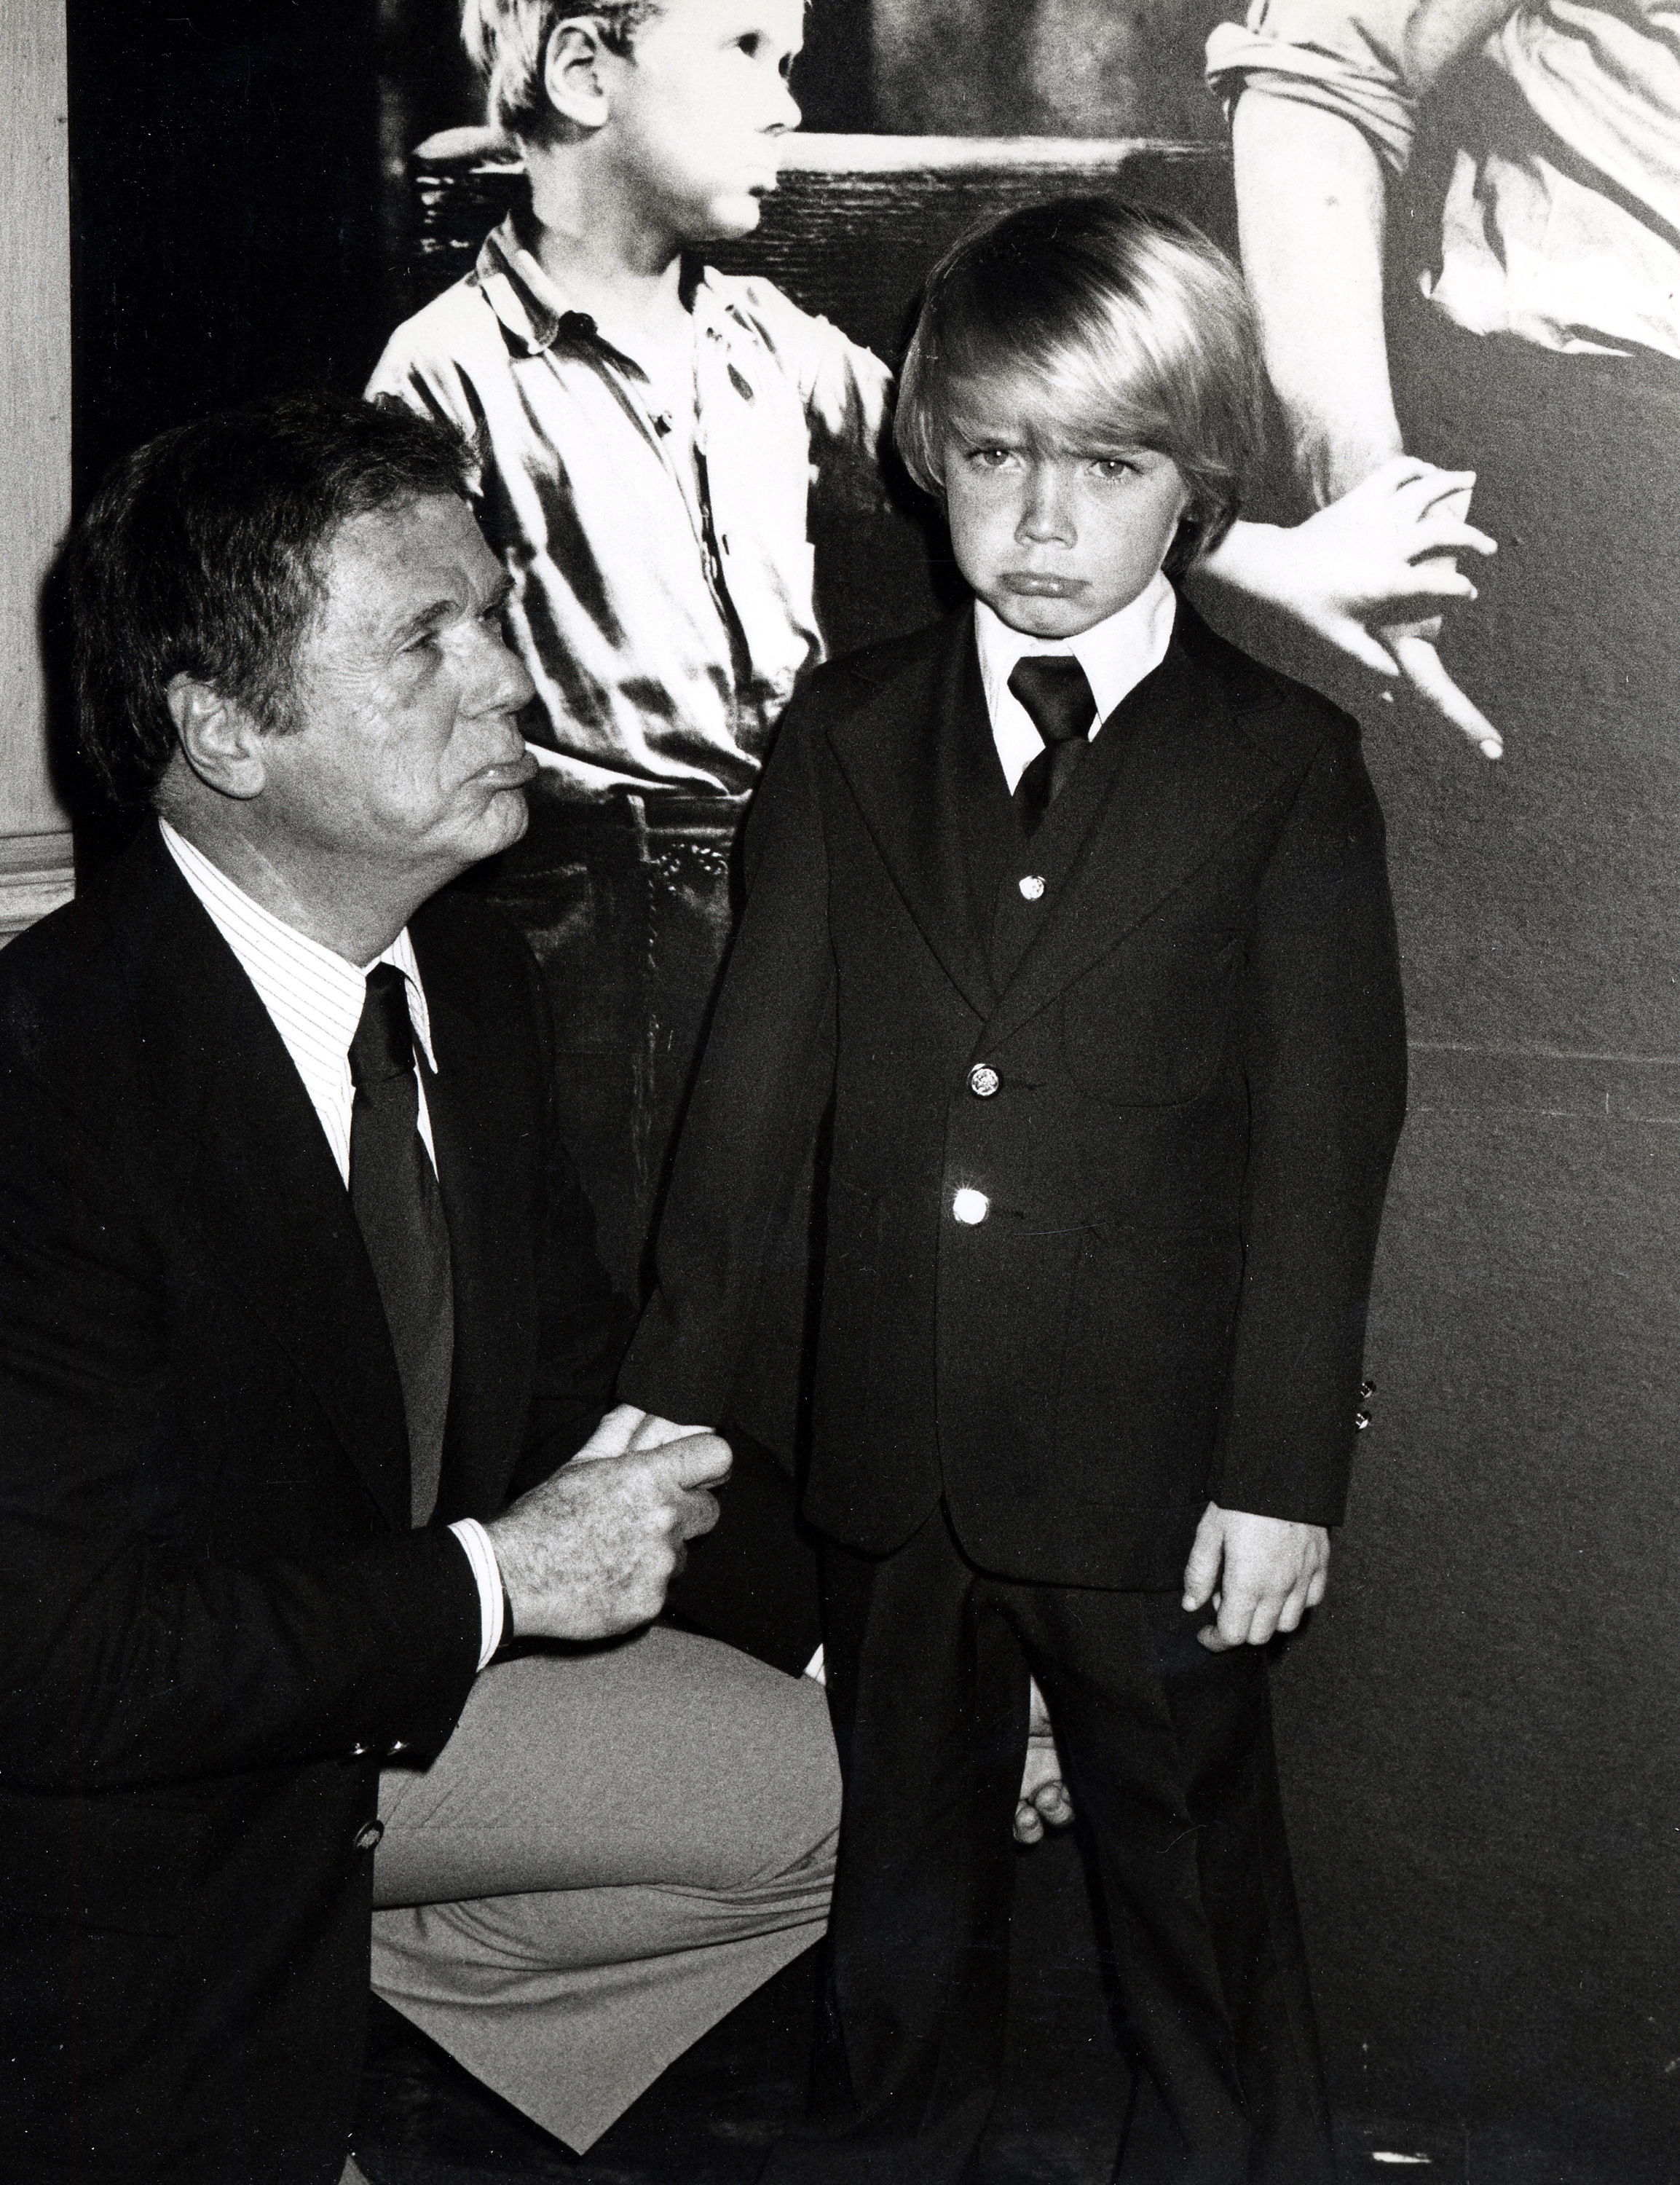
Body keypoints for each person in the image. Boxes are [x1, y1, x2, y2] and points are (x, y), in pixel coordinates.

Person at [620, 197, 1411, 2183]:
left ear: (1199, 483)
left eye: (1109, 466)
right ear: (926, 457)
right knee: (893, 1921)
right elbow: (748, 1107)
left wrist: (1279, 1466)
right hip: (893, 1465)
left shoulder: (1279, 765)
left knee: (1191, 1913)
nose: (1041, 524)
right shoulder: (848, 732)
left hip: (1156, 1483)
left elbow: (1324, 1148)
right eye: (992, 459)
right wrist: (670, 1404)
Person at [0, 394, 838, 2185]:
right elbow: (61, 1675)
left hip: (373, 1703)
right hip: (120, 1798)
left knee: (850, 1793)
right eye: (421, 641)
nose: (507, 682)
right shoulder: (45, 1086)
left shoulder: (458, 968)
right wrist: (500, 1577)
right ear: (224, 731)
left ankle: (341, 1982)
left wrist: (875, 1655)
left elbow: (567, 1396)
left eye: (492, 614)